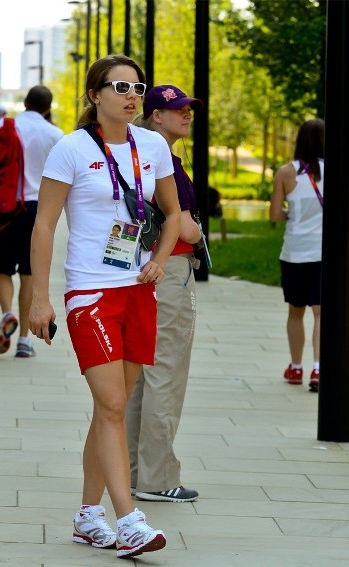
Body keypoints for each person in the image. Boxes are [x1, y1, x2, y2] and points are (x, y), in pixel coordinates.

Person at [28, 54, 181, 558]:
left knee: (108, 408)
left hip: (138, 291)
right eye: (120, 87)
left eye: (138, 87)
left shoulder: (153, 145)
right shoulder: (71, 149)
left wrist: (160, 259)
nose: (132, 95)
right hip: (90, 292)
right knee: (114, 406)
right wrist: (40, 298)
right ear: (95, 95)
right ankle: (130, 519)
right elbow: (45, 224)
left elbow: (174, 212)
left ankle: (87, 516)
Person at [126, 84, 203, 504]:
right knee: (165, 376)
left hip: (141, 270)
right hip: (171, 270)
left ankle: (135, 473)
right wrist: (198, 230)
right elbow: (186, 227)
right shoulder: (165, 163)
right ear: (156, 116)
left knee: (142, 375)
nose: (187, 115)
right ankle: (158, 478)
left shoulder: (134, 155)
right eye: (178, 110)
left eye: (189, 109)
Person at [0, 86, 64, 358]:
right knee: (29, 275)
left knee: (2, 270)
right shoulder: (55, 134)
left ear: (24, 103)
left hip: (4, 207)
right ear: (48, 108)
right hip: (37, 211)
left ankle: (7, 313)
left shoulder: (3, 125)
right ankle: (24, 341)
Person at [270, 119, 325, 393]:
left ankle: (296, 366)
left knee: (296, 311)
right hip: (323, 251)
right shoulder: (336, 171)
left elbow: (275, 215)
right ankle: (319, 368)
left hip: (294, 251)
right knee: (320, 312)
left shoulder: (285, 172)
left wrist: (294, 213)